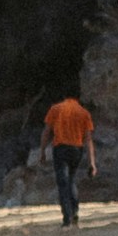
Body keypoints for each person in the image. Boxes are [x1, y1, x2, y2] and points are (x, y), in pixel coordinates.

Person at [42, 89, 96, 227]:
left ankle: (67, 217)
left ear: (64, 95)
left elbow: (46, 132)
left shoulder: (56, 109)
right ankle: (75, 211)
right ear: (78, 97)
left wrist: (42, 151)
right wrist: (92, 163)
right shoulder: (84, 113)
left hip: (60, 149)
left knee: (62, 182)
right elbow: (88, 139)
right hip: (76, 149)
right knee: (71, 180)